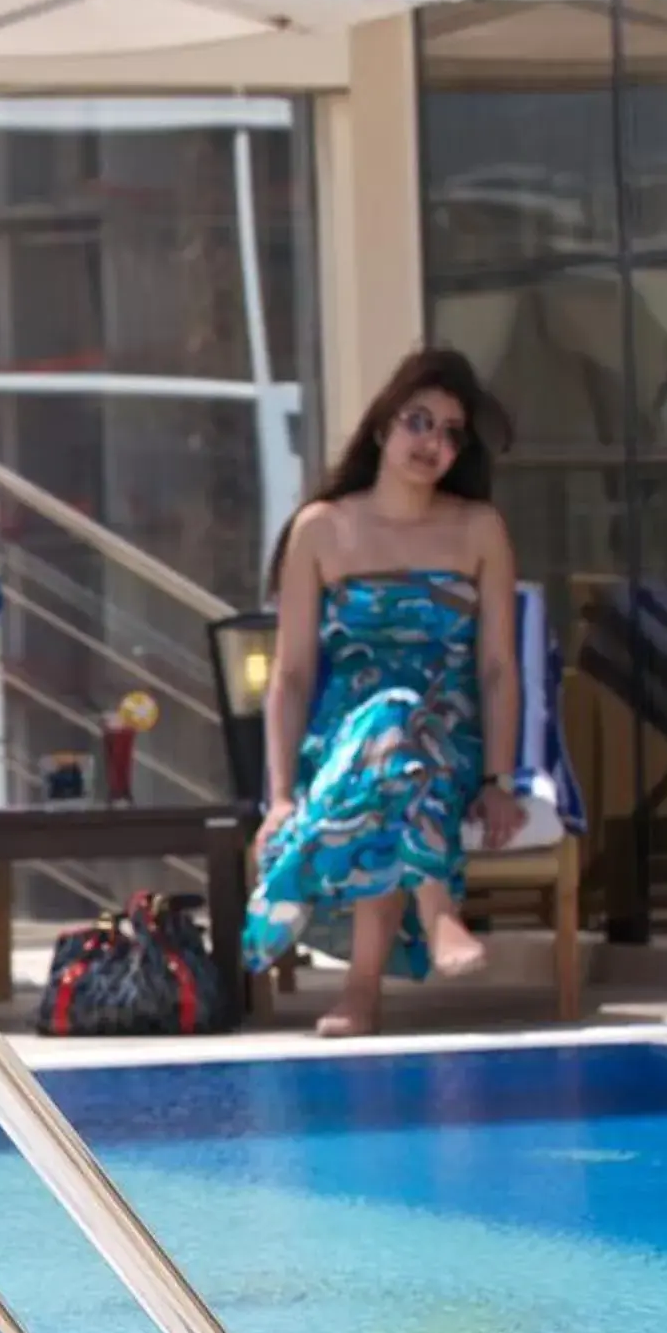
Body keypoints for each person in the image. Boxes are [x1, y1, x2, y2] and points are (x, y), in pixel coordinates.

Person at [243, 349, 527, 1038]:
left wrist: (497, 777)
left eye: (450, 432)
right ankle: (438, 915)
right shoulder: (321, 528)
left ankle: (360, 991)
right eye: (419, 422)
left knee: (401, 731)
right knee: (387, 729)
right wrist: (281, 795)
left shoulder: (478, 528)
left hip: (449, 731)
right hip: (345, 735)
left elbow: (495, 667)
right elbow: (293, 675)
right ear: (381, 429)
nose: (432, 442)